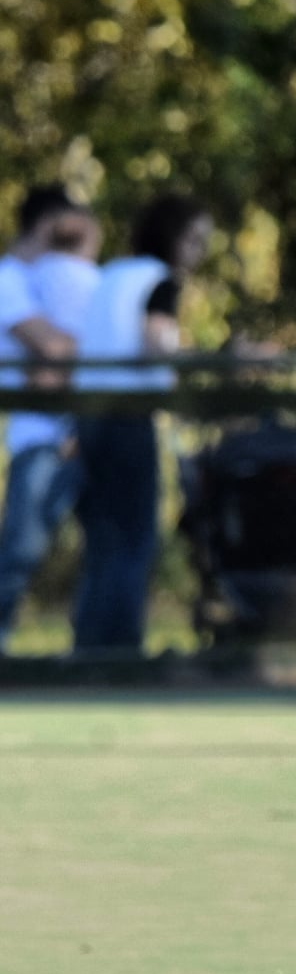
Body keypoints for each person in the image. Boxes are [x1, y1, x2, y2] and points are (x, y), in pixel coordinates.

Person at [69, 193, 212, 653]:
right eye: (194, 241)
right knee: (133, 534)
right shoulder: (160, 281)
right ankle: (120, 646)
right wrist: (216, 360)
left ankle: (88, 644)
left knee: (102, 537)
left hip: (88, 415)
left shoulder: (111, 274)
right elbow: (156, 346)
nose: (198, 253)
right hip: (127, 416)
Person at [0, 192, 99, 649]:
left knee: (101, 546)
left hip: (77, 430)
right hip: (39, 434)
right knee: (21, 549)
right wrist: (104, 347)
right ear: (46, 224)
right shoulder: (9, 278)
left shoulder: (48, 278)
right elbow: (52, 347)